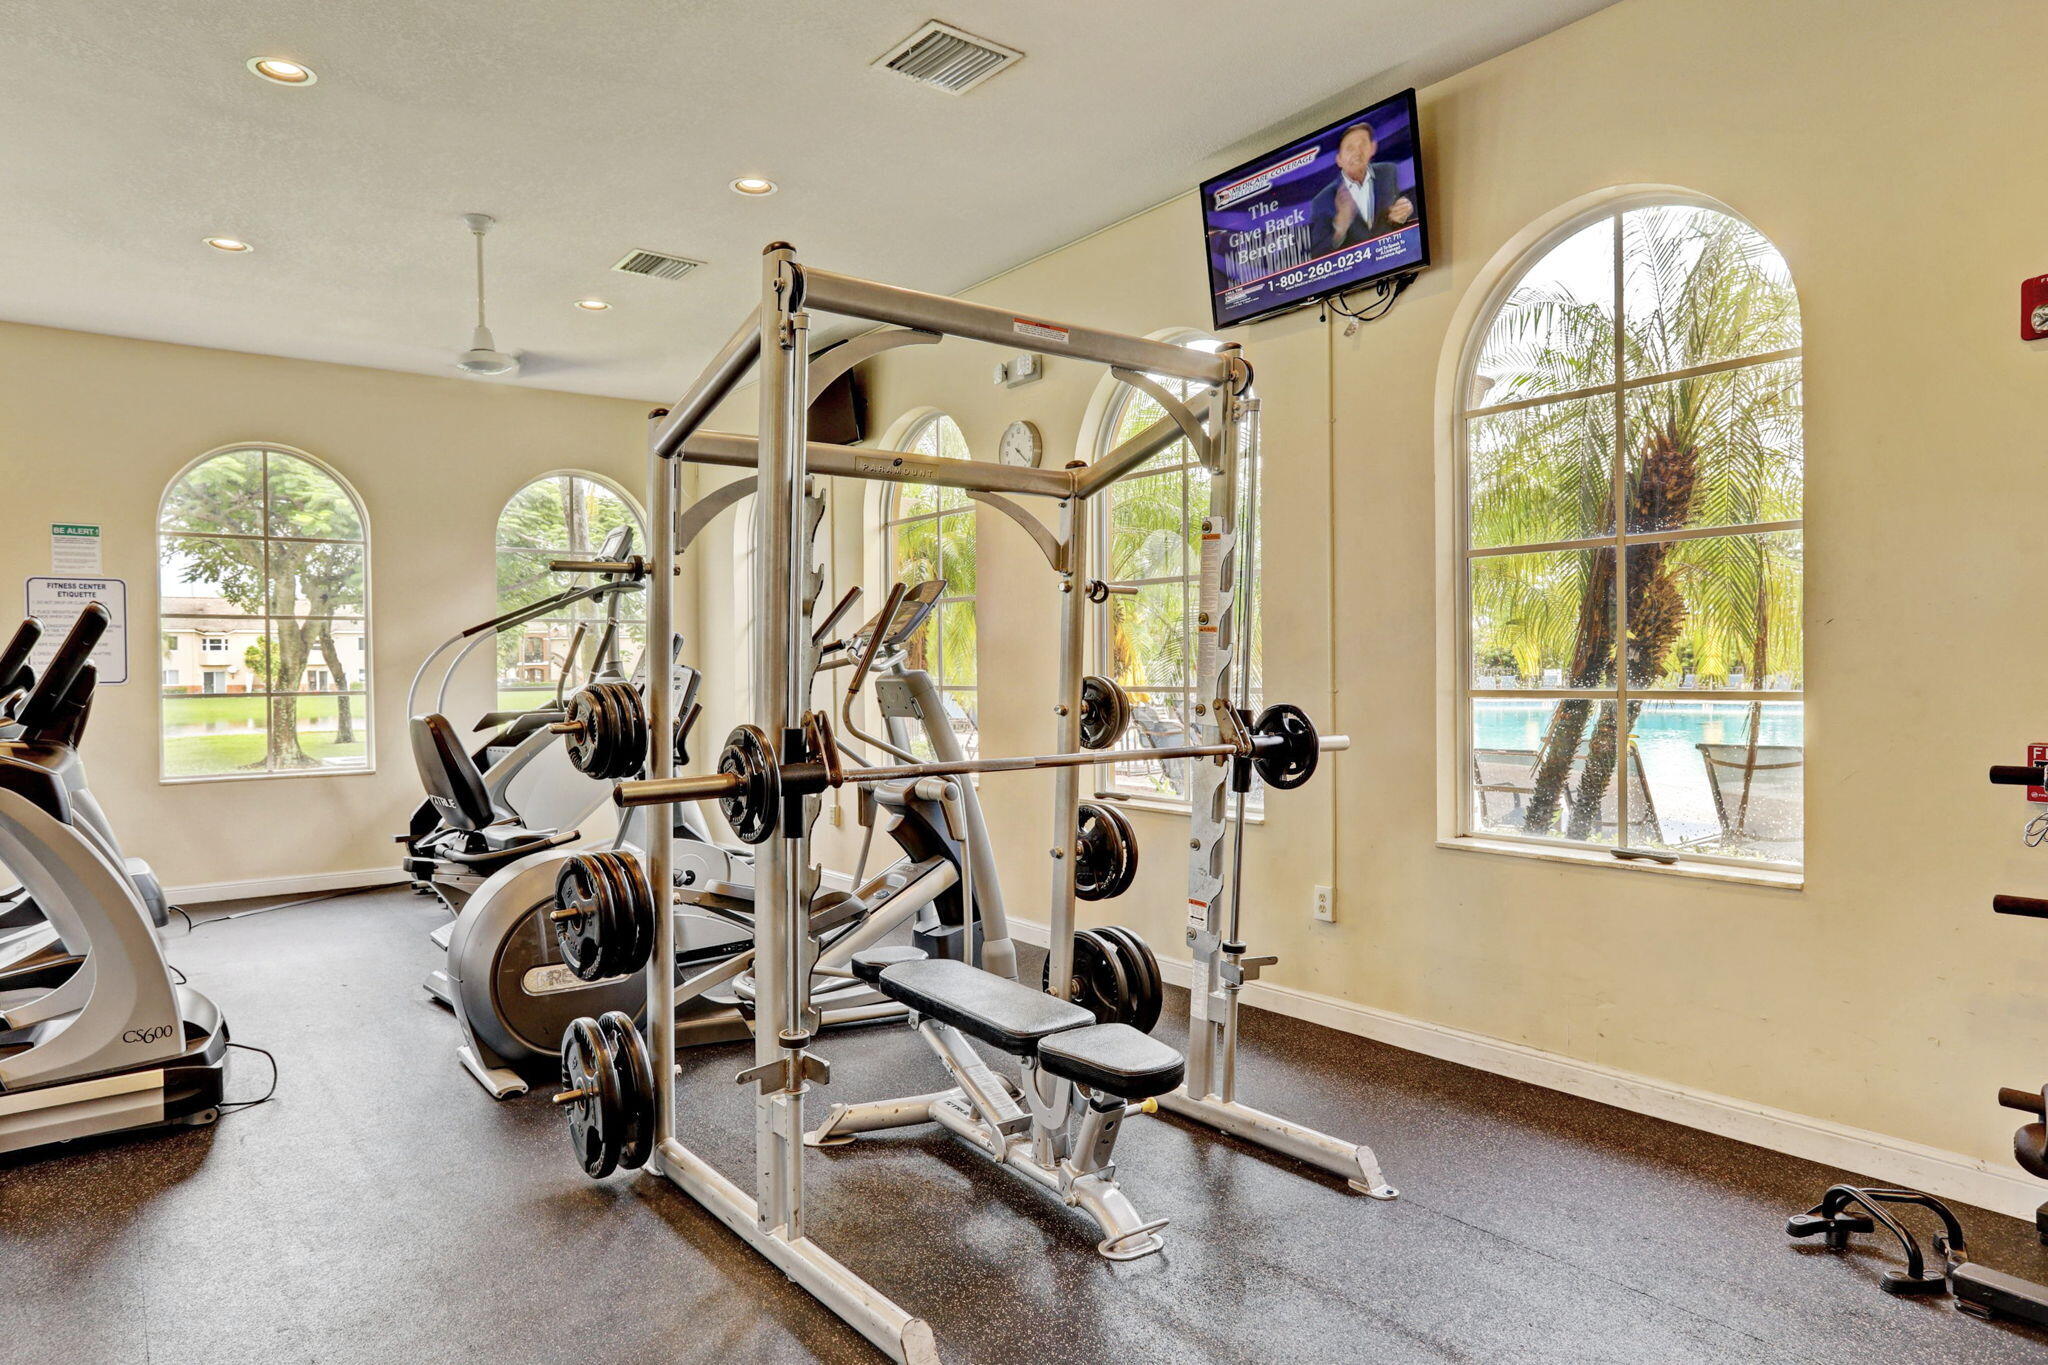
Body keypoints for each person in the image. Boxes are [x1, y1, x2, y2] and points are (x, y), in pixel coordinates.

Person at [1308, 122, 1415, 257]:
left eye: (1362, 145)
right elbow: (1317, 255)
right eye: (1350, 148)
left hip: (1394, 259)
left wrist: (1401, 214)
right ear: (1339, 159)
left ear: (1372, 148)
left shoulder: (1388, 172)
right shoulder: (1322, 200)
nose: (1357, 152)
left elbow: (1396, 222)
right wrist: (1340, 228)